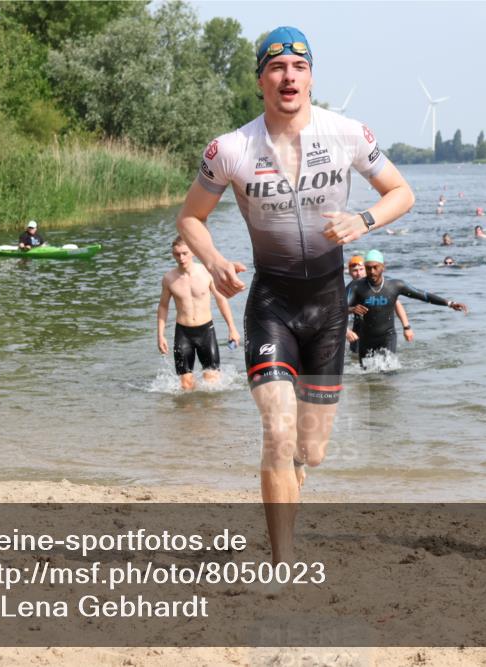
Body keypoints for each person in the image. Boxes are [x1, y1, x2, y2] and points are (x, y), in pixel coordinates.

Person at [175, 26, 414, 562]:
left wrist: (363, 220)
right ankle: (282, 556)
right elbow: (190, 217)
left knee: (312, 450)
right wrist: (213, 262)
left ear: (311, 76)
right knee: (278, 432)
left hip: (330, 309)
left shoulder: (348, 133)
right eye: (277, 68)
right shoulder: (231, 149)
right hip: (272, 304)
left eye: (298, 68)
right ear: (261, 79)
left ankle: (295, 477)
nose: (288, 77)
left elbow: (402, 192)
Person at [347, 250, 467, 366]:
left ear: (383, 267)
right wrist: (351, 310)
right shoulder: (356, 287)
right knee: (367, 376)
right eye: (368, 268)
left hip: (387, 337)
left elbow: (423, 295)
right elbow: (336, 309)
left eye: (375, 267)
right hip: (365, 338)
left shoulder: (395, 286)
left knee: (388, 373)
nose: (372, 271)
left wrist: (450, 303)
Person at [157, 237, 240, 390]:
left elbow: (221, 300)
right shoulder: (169, 278)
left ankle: (208, 414)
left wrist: (232, 328)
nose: (181, 258)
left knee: (212, 383)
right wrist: (160, 335)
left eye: (184, 253)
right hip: (183, 332)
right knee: (186, 385)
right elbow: (163, 306)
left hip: (206, 331)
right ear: (173, 255)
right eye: (177, 254)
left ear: (193, 252)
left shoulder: (206, 273)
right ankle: (190, 413)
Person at [345, 255, 407, 354]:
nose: (358, 273)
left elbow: (397, 305)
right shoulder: (351, 290)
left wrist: (406, 327)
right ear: (349, 272)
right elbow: (337, 312)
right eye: (355, 270)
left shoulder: (382, 285)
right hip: (359, 332)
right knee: (356, 360)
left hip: (383, 332)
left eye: (361, 269)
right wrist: (346, 331)